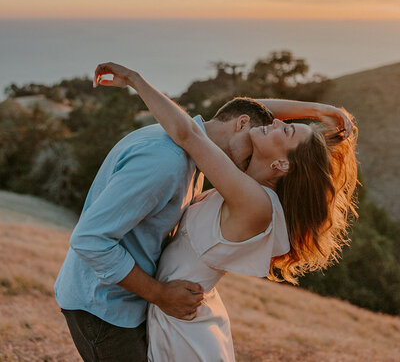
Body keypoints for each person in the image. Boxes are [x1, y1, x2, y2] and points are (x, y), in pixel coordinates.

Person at [91, 62, 358, 362]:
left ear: (283, 165)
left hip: (184, 331)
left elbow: (190, 134)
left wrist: (136, 80)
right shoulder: (241, 175)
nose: (276, 122)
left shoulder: (255, 203)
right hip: (175, 311)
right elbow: (248, 113)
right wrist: (318, 110)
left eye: (286, 129)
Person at [55, 74, 276, 361]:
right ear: (241, 123)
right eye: (251, 151)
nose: (247, 167)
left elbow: (254, 109)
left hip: (122, 302)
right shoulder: (166, 160)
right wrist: (159, 294)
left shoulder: (188, 149)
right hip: (103, 307)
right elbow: (90, 240)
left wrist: (321, 111)